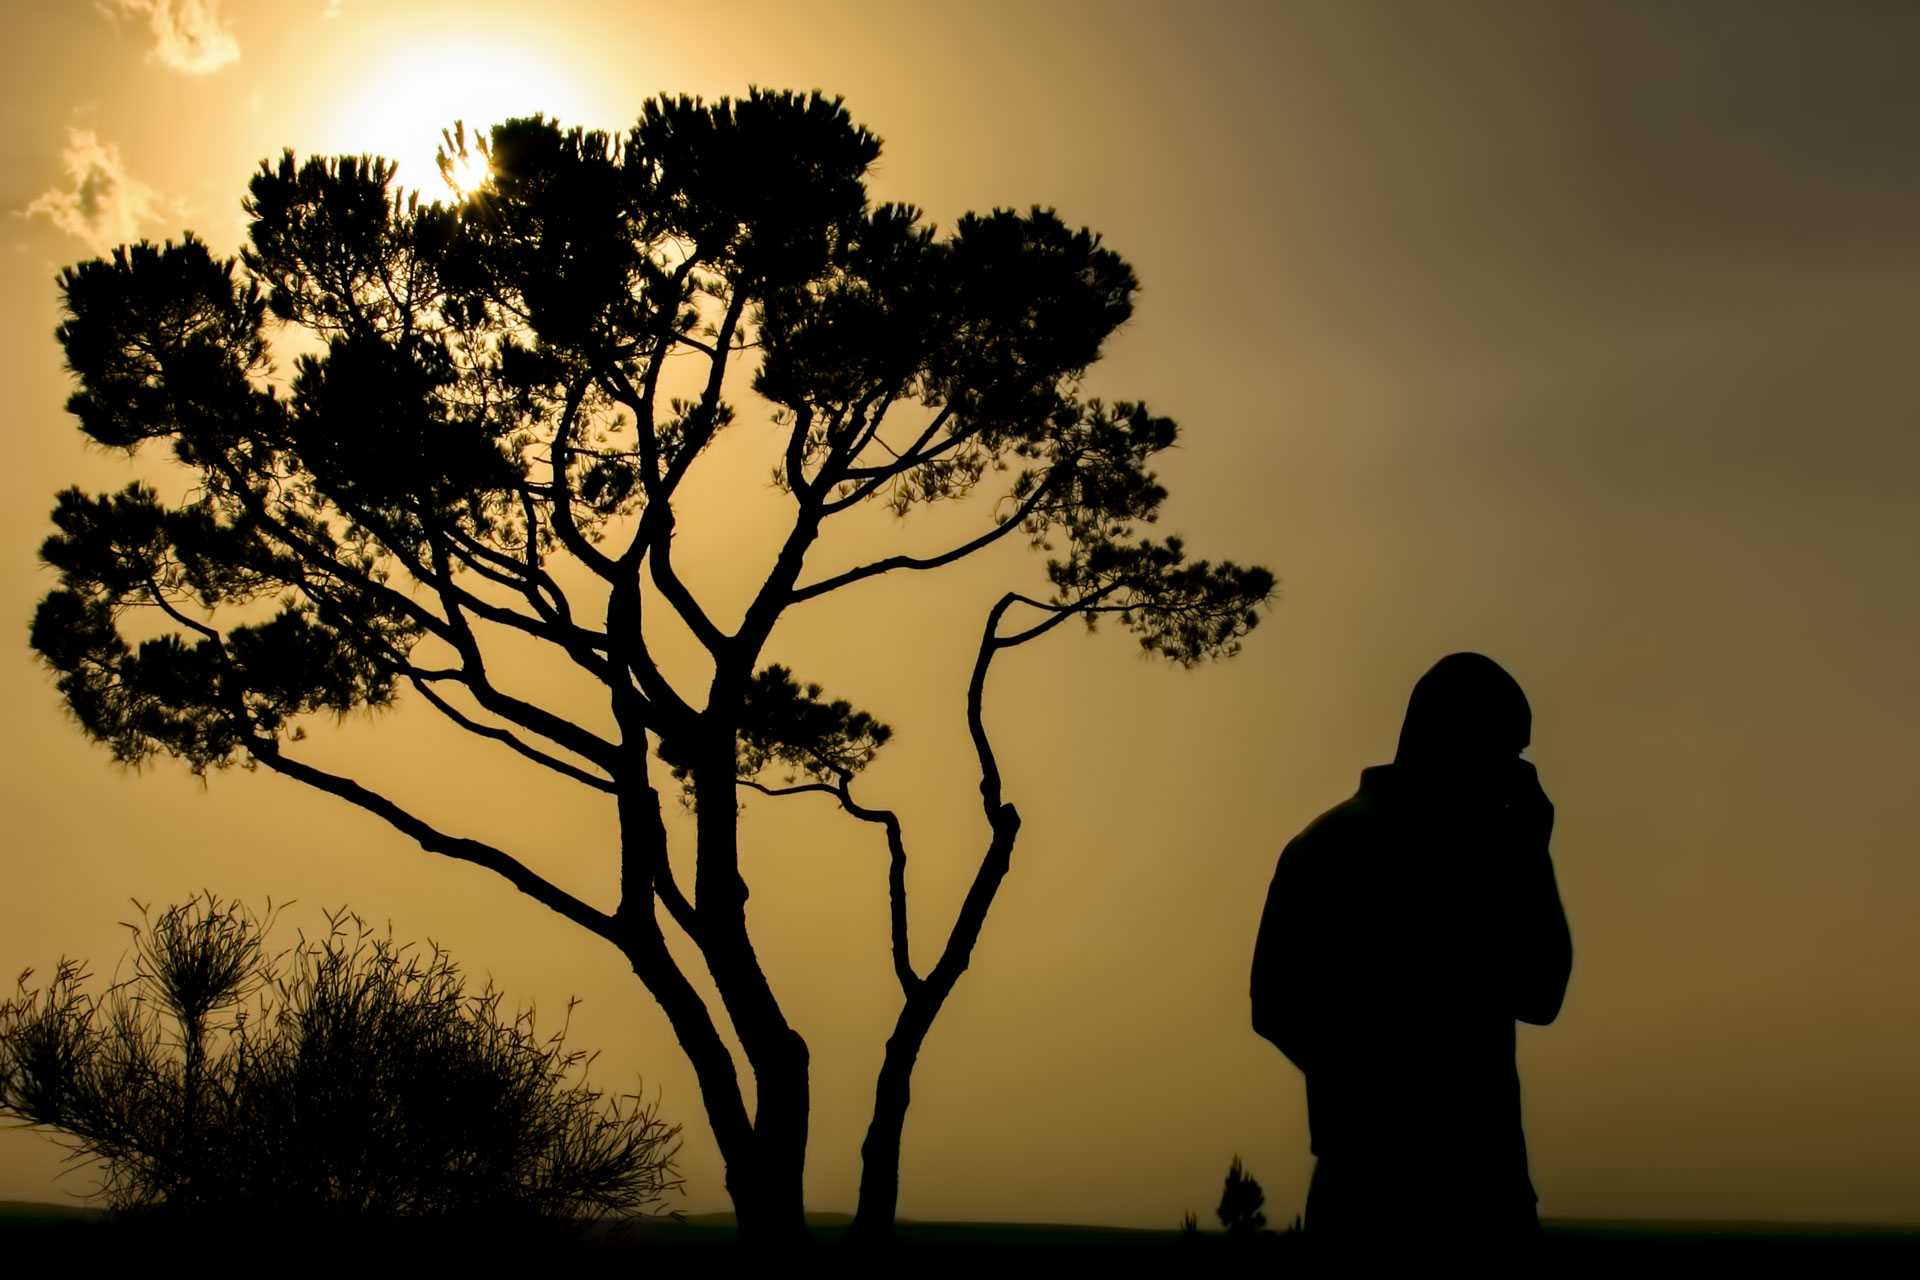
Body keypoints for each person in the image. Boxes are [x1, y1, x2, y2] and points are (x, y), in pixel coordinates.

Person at [1250, 653, 1572, 1248]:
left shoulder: (1484, 859)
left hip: (1480, 1197)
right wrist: (1381, 1100)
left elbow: (1542, 994)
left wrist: (1530, 855)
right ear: (1452, 740)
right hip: (1382, 1199)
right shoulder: (1334, 850)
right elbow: (1274, 1004)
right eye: (1507, 753)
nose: (1514, 776)